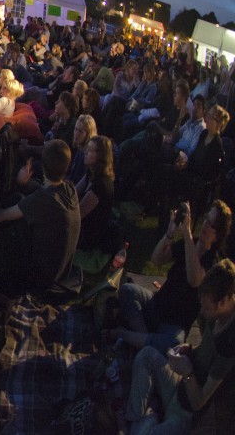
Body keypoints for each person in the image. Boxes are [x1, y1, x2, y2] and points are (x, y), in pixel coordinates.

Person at [124, 259, 235, 433]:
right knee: (146, 354)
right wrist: (189, 350)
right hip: (178, 389)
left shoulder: (229, 344)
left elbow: (199, 403)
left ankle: (147, 419)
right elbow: (204, 353)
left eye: (206, 308)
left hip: (187, 416)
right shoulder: (217, 317)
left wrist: (188, 373)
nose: (203, 313)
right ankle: (138, 420)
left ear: (223, 302)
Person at [113, 201, 231, 352]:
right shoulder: (190, 242)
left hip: (175, 325)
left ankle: (126, 335)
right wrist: (169, 234)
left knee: (172, 343)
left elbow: (194, 280)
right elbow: (156, 260)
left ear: (218, 235)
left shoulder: (213, 261)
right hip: (157, 304)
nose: (205, 225)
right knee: (127, 291)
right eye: (206, 219)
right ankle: (144, 338)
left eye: (211, 224)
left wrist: (187, 233)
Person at [0, 140, 80, 293]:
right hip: (59, 270)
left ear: (43, 167)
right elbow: (41, 194)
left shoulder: (44, 200)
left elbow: (1, 216)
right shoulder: (69, 189)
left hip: (39, 278)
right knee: (19, 200)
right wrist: (22, 184)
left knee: (3, 233)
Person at [75, 135, 115, 251]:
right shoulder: (91, 172)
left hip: (88, 234)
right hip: (82, 225)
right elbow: (75, 191)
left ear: (101, 156)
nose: (86, 152)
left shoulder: (100, 185)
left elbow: (78, 215)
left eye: (91, 150)